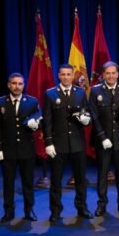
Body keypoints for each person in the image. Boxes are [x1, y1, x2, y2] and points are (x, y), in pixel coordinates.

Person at [43, 63, 93, 222]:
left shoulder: (80, 93)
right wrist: (48, 143)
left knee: (80, 179)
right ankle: (56, 211)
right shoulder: (50, 94)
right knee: (56, 180)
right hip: (58, 144)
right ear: (59, 76)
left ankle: (82, 208)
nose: (65, 77)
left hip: (77, 143)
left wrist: (87, 121)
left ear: (73, 76)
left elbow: (86, 114)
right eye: (63, 74)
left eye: (68, 74)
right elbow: (47, 122)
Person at [0, 72, 42, 222]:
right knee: (8, 183)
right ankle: (8, 211)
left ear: (23, 85)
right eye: (14, 83)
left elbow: (39, 121)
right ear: (9, 85)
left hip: (27, 149)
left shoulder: (32, 102)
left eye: (20, 84)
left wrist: (35, 125)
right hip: (8, 150)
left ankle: (29, 210)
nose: (17, 86)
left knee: (28, 182)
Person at [88, 61, 119, 216]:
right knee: (102, 173)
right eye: (108, 73)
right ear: (103, 75)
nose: (111, 76)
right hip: (104, 140)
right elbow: (94, 116)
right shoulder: (95, 91)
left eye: (113, 73)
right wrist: (102, 137)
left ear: (118, 74)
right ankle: (102, 205)